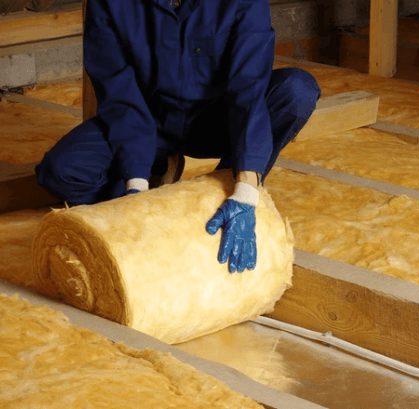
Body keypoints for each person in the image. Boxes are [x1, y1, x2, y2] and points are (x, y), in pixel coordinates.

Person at [35, 0, 321, 273]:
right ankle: (157, 168)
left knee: (297, 92)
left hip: (216, 119)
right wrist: (135, 186)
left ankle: (217, 190)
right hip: (149, 121)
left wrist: (245, 191)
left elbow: (248, 89)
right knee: (60, 172)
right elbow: (120, 96)